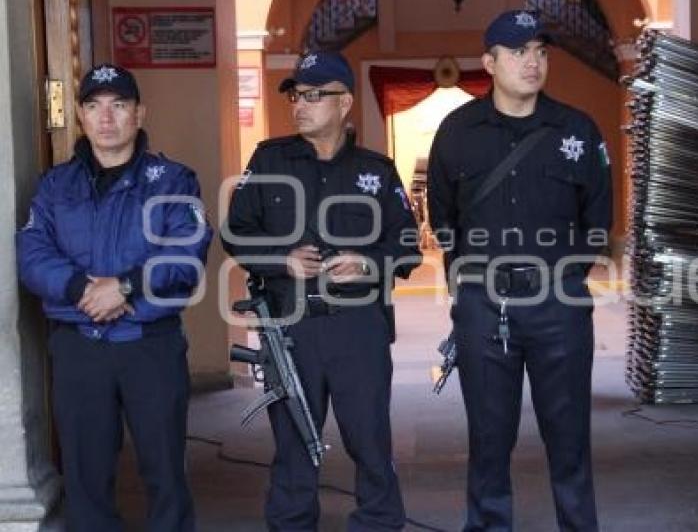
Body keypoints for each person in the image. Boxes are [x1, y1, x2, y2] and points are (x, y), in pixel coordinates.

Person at [427, 10, 612, 531]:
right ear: (489, 63)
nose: (532, 62)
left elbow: (598, 218)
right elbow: (443, 217)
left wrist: (560, 276)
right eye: (518, 52)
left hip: (559, 307)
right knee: (488, 440)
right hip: (485, 309)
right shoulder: (458, 132)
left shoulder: (575, 129)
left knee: (569, 437)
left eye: (539, 51)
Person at [222, 50, 420, 531]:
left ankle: (378, 523)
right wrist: (281, 259)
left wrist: (369, 263)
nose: (300, 105)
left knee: (370, 441)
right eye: (296, 95)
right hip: (290, 329)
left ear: (345, 103)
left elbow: (408, 244)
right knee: (293, 446)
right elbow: (234, 231)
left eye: (315, 95)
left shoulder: (376, 169)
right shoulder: (269, 159)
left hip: (358, 330)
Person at [16, 63, 212, 532]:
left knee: (165, 471)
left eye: (119, 105)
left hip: (150, 344)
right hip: (79, 346)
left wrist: (124, 286)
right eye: (94, 106)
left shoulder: (173, 180)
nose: (107, 118)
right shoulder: (54, 186)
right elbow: (31, 252)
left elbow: (187, 249)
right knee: (85, 477)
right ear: (80, 115)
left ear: (139, 113)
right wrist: (82, 289)